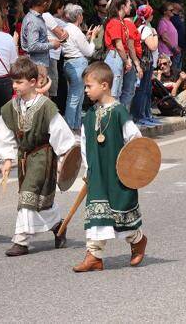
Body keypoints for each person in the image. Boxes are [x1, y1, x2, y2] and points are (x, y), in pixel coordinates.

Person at [0, 57, 77, 256]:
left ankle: (21, 240)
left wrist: (64, 159)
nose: (15, 86)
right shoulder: (10, 107)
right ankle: (58, 226)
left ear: (33, 82)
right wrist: (6, 158)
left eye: (19, 82)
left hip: (43, 156)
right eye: (13, 82)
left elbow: (61, 134)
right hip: (24, 158)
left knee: (28, 195)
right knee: (39, 201)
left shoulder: (46, 107)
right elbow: (3, 133)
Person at [72, 62, 147, 272]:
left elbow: (135, 139)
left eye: (89, 86)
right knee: (97, 214)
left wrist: (131, 168)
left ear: (104, 85)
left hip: (117, 174)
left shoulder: (119, 111)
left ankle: (138, 240)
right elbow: (86, 144)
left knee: (121, 214)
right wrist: (88, 169)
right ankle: (94, 255)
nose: (86, 90)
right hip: (97, 173)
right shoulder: (89, 115)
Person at [58, 4, 97, 130]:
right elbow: (89, 52)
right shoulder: (76, 31)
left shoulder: (66, 28)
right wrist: (93, 39)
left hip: (68, 63)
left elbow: (75, 45)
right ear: (79, 16)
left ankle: (75, 125)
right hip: (78, 64)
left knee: (77, 96)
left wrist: (87, 38)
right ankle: (71, 127)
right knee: (75, 97)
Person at [133, 5, 161, 127]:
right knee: (143, 90)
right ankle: (140, 116)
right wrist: (155, 35)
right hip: (146, 63)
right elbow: (153, 46)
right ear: (148, 16)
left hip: (143, 62)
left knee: (145, 90)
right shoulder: (147, 29)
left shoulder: (138, 27)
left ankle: (145, 114)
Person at [102, 0, 134, 101]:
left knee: (117, 92)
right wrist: (126, 61)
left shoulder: (120, 22)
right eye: (129, 5)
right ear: (123, 6)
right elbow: (119, 45)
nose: (131, 8)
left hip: (118, 57)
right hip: (115, 57)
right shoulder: (115, 22)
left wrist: (126, 59)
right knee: (113, 92)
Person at [21, 0, 60, 68]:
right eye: (50, 3)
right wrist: (52, 45)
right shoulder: (33, 21)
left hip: (38, 64)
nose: (50, 5)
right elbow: (33, 46)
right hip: (37, 65)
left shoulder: (36, 17)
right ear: (45, 4)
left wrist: (47, 41)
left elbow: (35, 40)